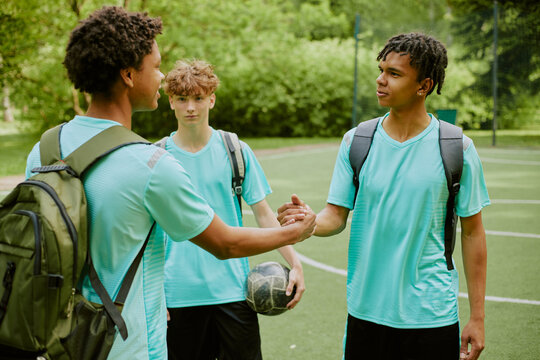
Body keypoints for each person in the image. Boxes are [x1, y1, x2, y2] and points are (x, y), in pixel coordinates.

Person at [24, 6, 315, 360]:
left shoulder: (44, 150)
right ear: (129, 75)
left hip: (63, 339)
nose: (162, 77)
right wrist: (297, 233)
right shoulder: (151, 164)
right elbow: (224, 244)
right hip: (130, 345)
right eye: (157, 65)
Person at [277, 32, 489, 360]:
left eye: (394, 73)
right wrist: (309, 221)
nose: (380, 80)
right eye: (381, 70)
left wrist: (477, 317)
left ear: (424, 86)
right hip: (366, 310)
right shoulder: (357, 141)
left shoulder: (457, 148)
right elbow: (335, 216)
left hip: (431, 314)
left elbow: (473, 233)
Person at [160, 59, 305, 360]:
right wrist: (153, 294)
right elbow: (148, 233)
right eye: (183, 99)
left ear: (211, 99)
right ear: (171, 100)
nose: (191, 107)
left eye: (199, 98)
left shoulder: (235, 150)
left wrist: (296, 263)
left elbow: (263, 213)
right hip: (177, 297)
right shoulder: (157, 158)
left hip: (234, 293)